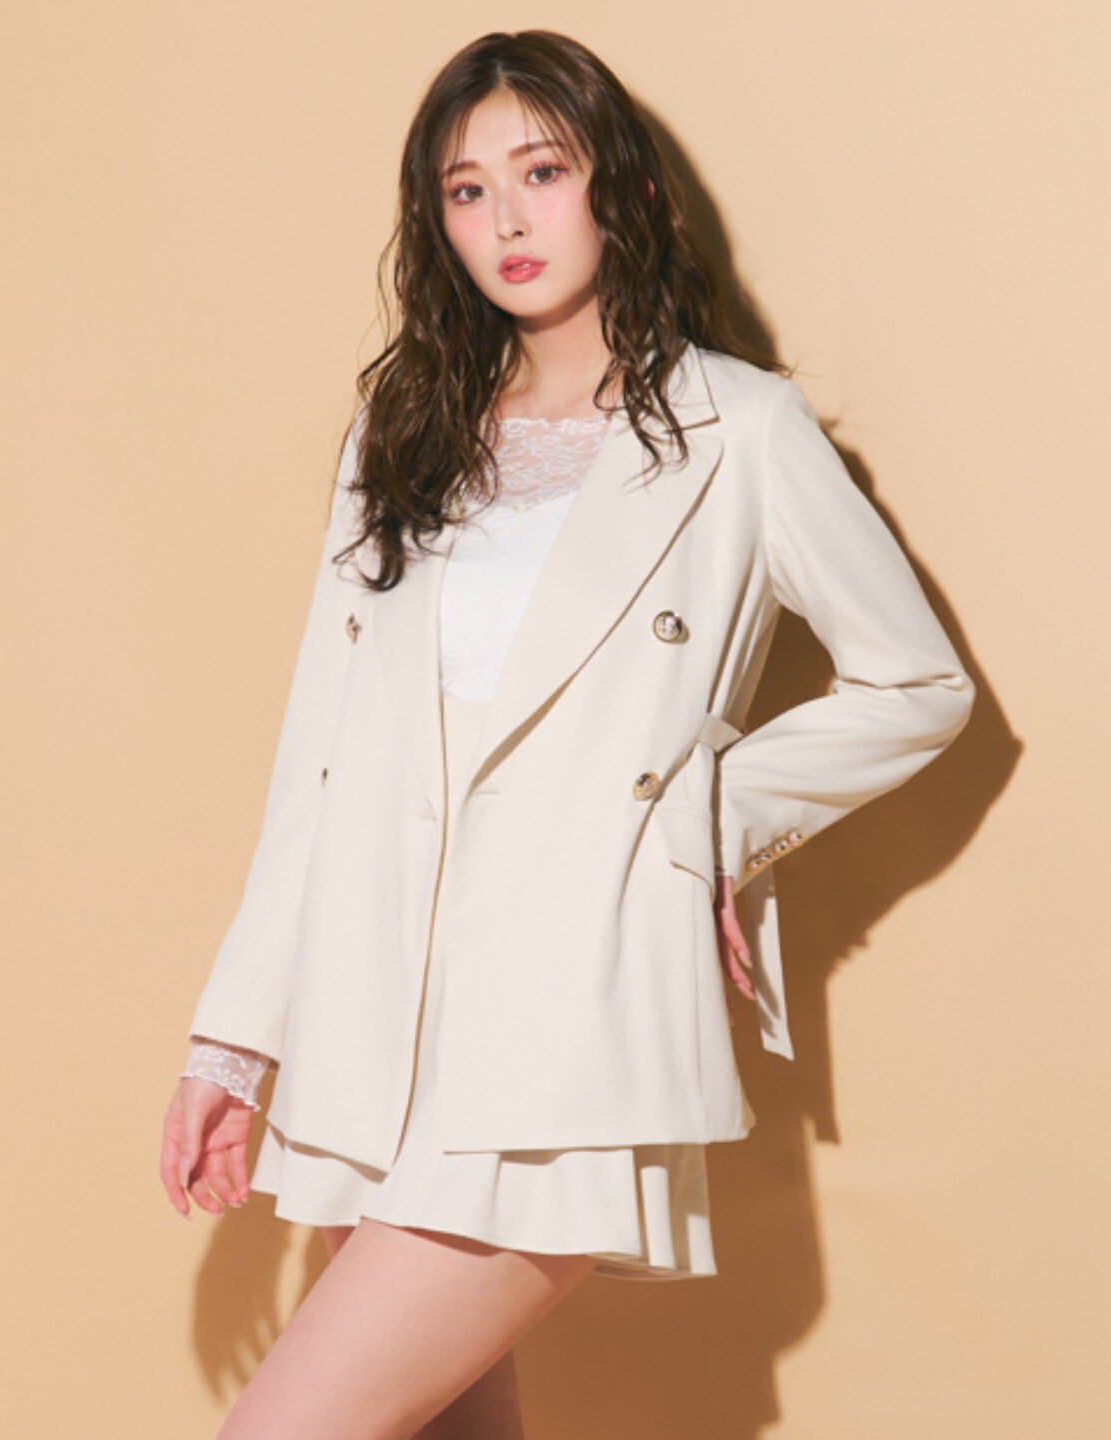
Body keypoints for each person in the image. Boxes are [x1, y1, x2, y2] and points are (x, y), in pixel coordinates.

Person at [159, 28, 974, 1440]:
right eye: (467, 191)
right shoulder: (403, 429)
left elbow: (919, 685)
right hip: (375, 1022)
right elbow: (323, 756)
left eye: (542, 172)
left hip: (565, 1026)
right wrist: (236, 1039)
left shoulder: (743, 430)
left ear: (624, 189)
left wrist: (707, 821)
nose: (508, 220)